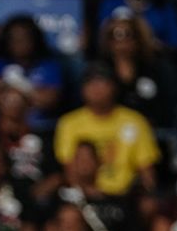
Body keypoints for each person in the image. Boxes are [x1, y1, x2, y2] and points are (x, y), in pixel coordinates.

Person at [53, 62, 160, 196]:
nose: (96, 88)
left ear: (114, 86)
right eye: (90, 83)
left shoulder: (135, 121)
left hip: (126, 197)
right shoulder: (69, 123)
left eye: (102, 82)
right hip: (85, 195)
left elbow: (146, 169)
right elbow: (69, 169)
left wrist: (149, 196)